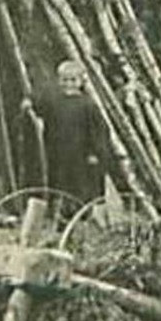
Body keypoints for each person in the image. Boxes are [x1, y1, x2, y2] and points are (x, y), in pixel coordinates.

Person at [28, 59, 110, 211]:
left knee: (80, 184)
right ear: (59, 81)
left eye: (73, 80)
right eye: (65, 80)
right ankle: (61, 213)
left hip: (80, 152)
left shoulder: (88, 105)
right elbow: (40, 108)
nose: (69, 84)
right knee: (59, 182)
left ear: (81, 81)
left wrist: (95, 152)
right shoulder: (54, 102)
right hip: (58, 151)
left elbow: (98, 131)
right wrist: (30, 103)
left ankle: (82, 212)